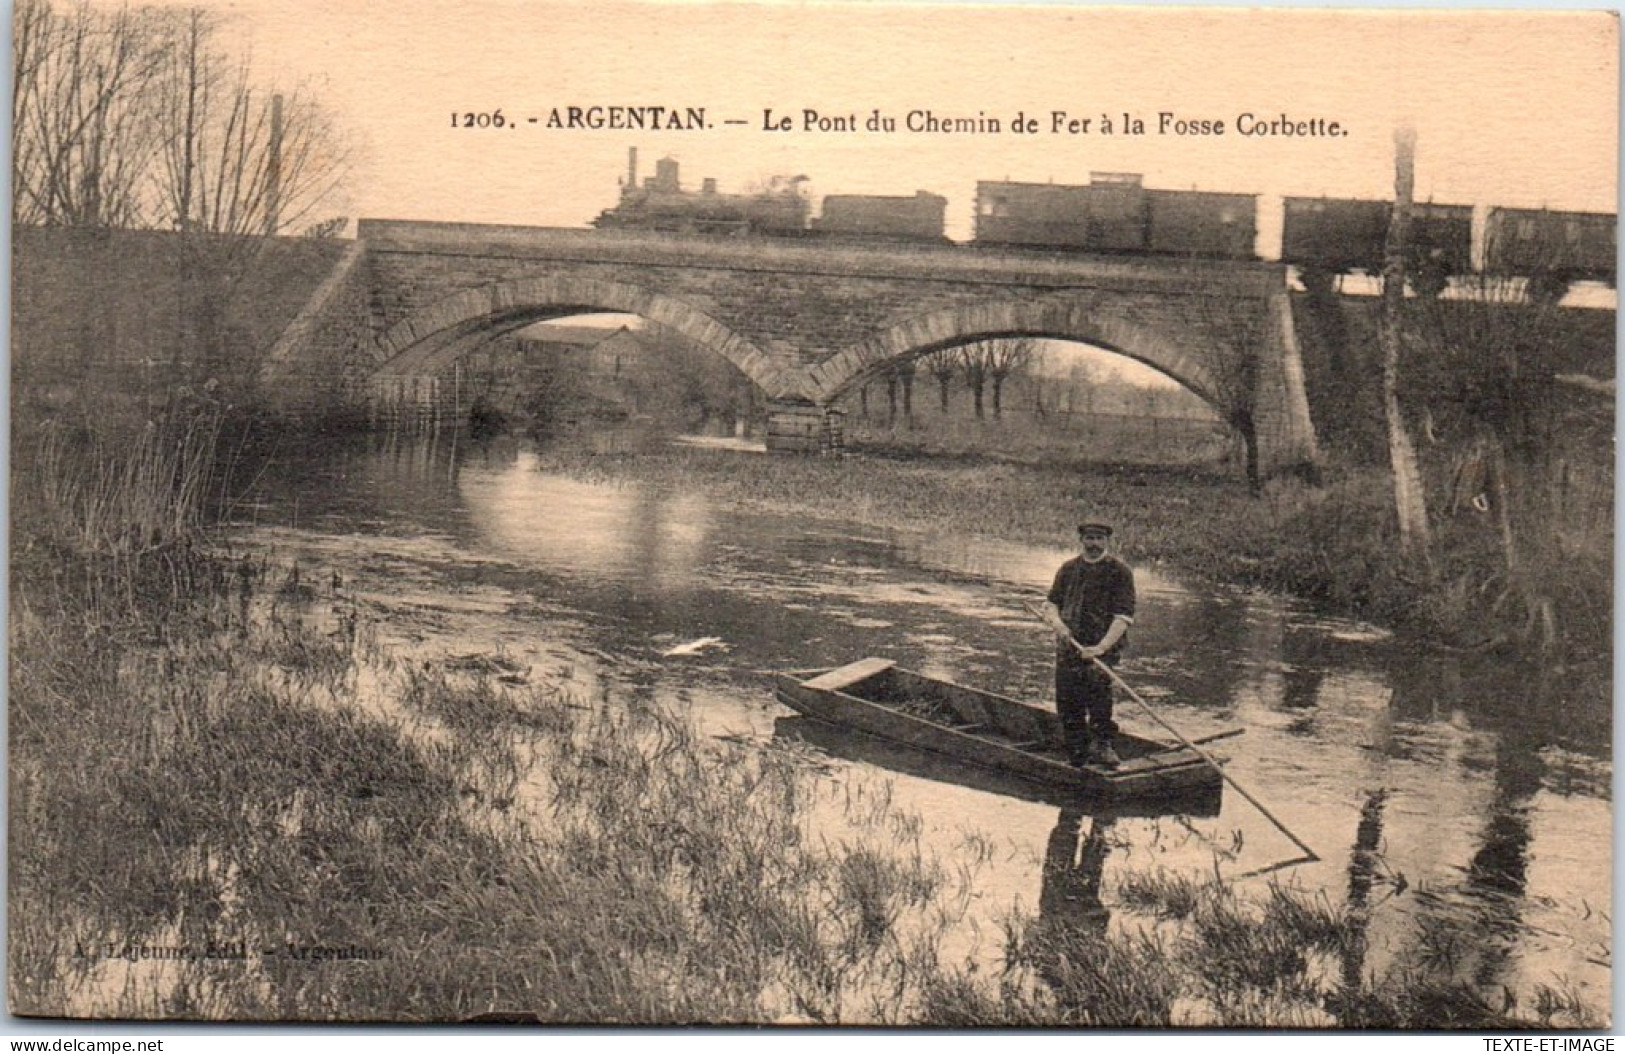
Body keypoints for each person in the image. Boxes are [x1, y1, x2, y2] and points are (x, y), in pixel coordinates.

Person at [1042, 515, 1136, 768]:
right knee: (1068, 699)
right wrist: (1059, 625)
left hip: (1102, 649)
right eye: (1089, 538)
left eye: (1099, 538)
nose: (1094, 543)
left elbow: (1123, 617)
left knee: (1098, 698)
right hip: (1069, 647)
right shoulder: (1069, 569)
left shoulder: (1119, 572)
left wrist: (1101, 648)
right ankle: (1076, 753)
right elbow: (1051, 604)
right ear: (1081, 540)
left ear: (1107, 541)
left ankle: (1103, 746)